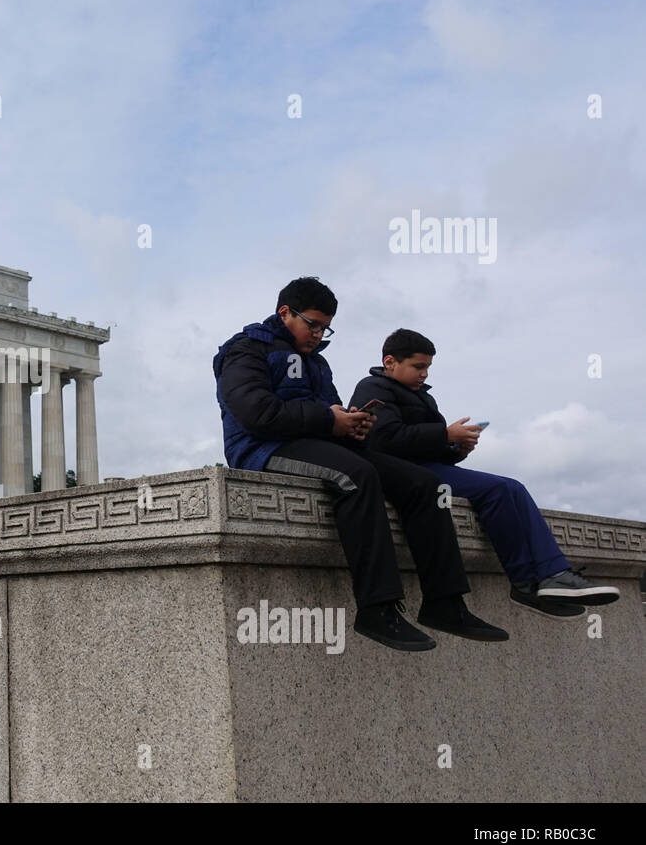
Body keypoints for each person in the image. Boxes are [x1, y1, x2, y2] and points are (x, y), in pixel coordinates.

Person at [213, 276, 505, 652]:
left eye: (325, 326)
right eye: (312, 324)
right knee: (356, 476)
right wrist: (326, 419)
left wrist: (352, 423)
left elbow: (331, 409)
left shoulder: (317, 362)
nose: (318, 333)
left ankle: (445, 602)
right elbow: (256, 412)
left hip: (318, 442)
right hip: (263, 447)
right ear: (285, 312)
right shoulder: (246, 349)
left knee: (424, 484)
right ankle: (377, 608)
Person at [350, 328, 619, 616]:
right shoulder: (373, 388)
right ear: (390, 362)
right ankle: (528, 584)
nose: (425, 374)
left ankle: (552, 575)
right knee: (498, 491)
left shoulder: (424, 398)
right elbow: (384, 440)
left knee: (512, 488)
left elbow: (428, 446)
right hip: (404, 474)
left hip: (429, 467)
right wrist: (444, 433)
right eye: (418, 366)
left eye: (428, 367)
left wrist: (456, 449)